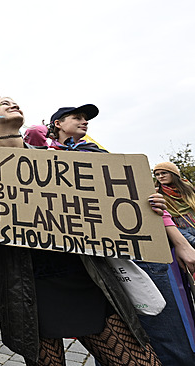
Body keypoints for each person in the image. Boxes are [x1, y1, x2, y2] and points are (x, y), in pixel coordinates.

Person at [0, 97, 163, 366]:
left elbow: (102, 206)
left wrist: (144, 205)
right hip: (30, 288)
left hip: (82, 276)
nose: (14, 104)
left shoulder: (57, 162)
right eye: (4, 103)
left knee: (141, 362)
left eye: (15, 101)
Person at [51, 107, 195, 365]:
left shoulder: (99, 155)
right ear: (58, 124)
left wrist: (180, 242)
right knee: (118, 342)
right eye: (77, 117)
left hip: (135, 255)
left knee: (166, 336)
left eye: (86, 119)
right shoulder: (43, 159)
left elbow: (144, 202)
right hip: (90, 265)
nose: (84, 122)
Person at [154, 161, 195, 247]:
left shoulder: (188, 188)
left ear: (174, 174)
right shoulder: (157, 193)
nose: (160, 176)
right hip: (177, 229)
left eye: (164, 173)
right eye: (157, 174)